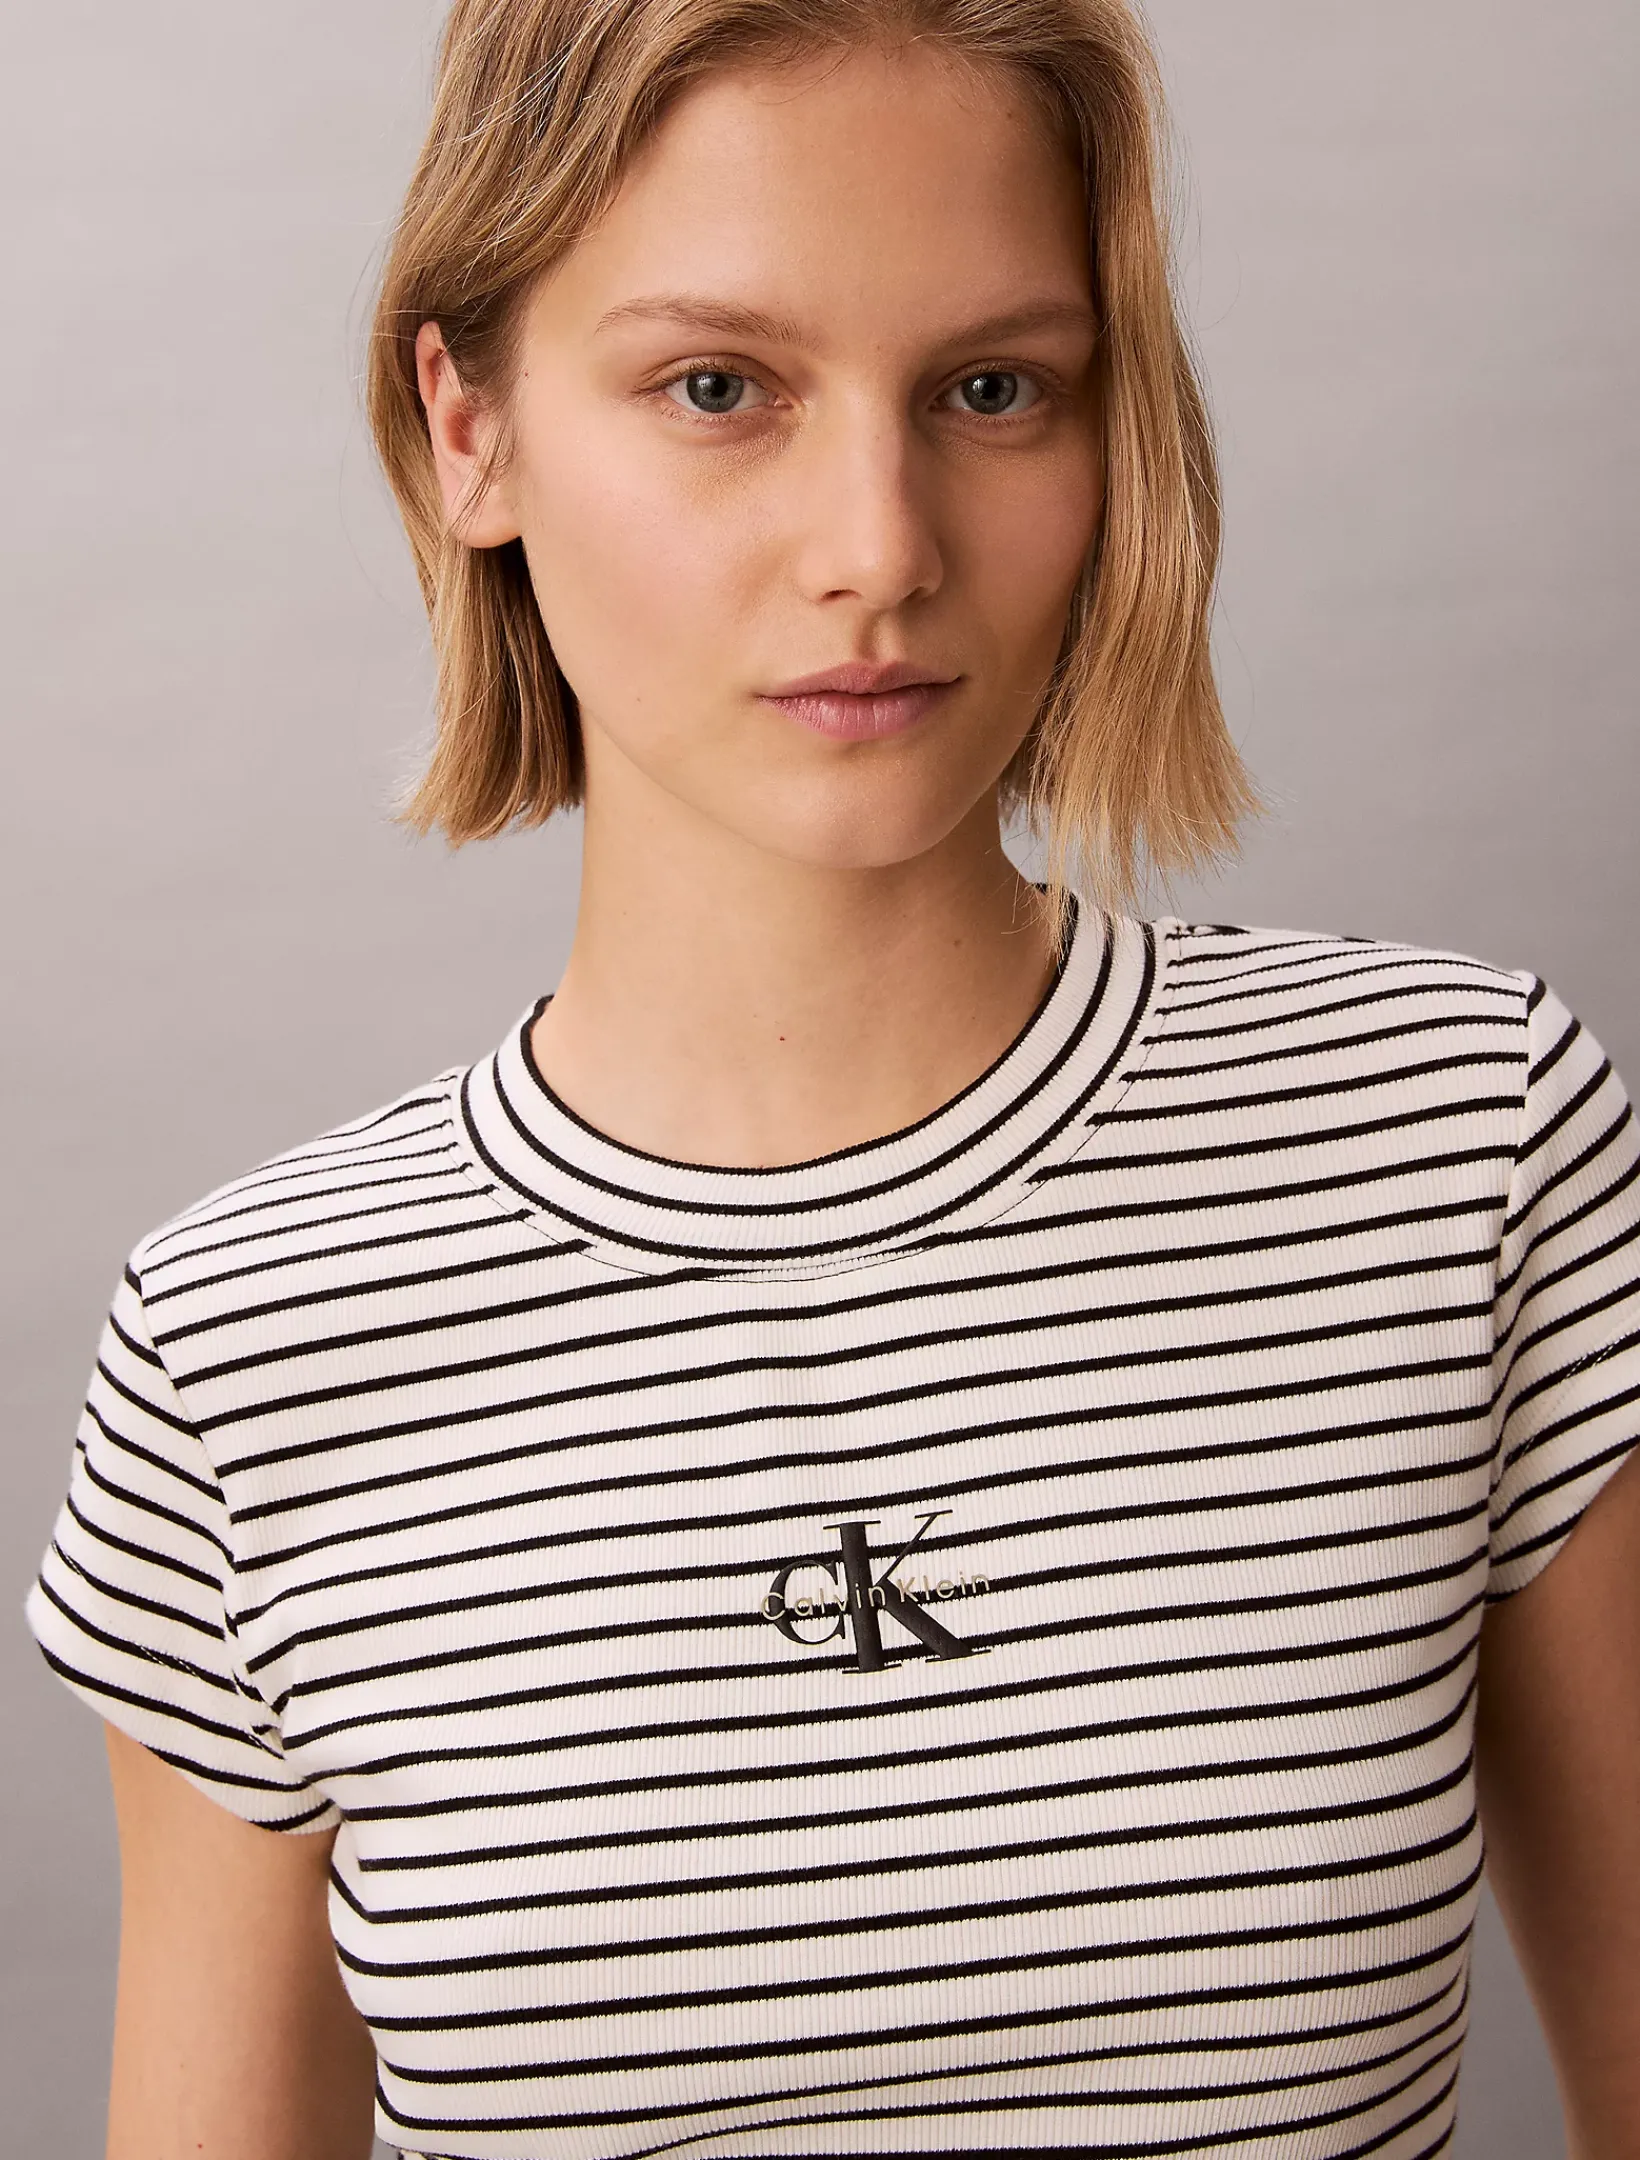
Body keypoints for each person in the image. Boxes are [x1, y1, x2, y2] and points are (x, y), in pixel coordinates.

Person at [24, 0, 1640, 2154]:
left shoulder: (1459, 1149)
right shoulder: (254, 1356)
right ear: (467, 429)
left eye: (992, 389)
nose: (880, 544)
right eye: (720, 388)